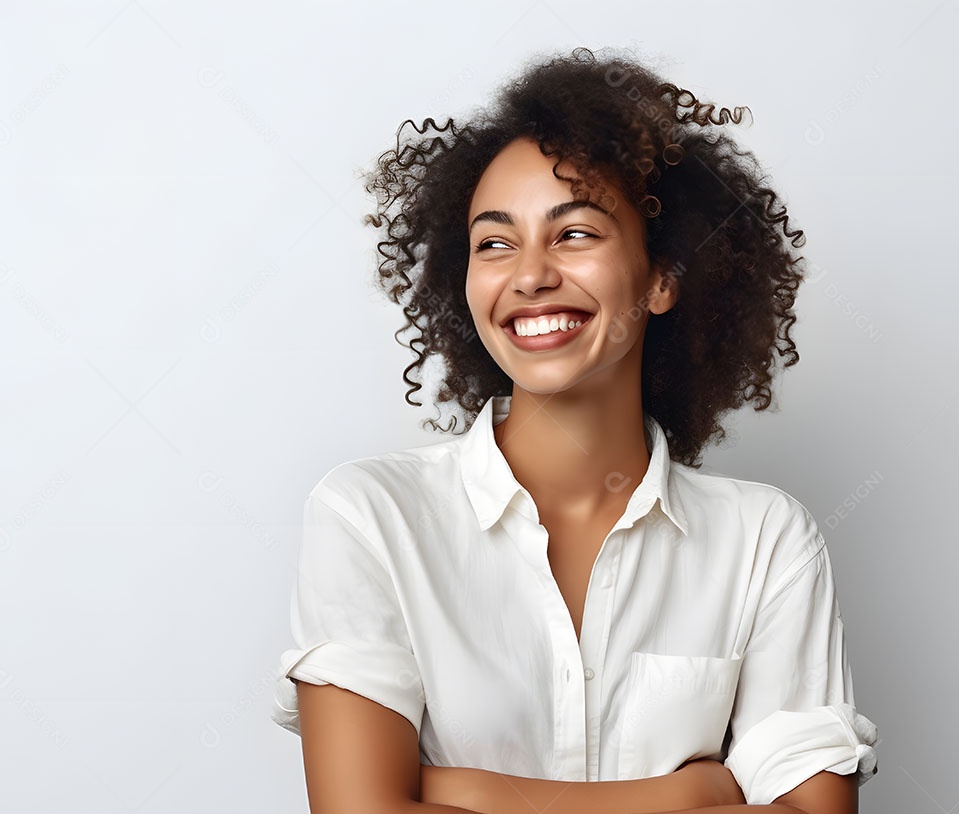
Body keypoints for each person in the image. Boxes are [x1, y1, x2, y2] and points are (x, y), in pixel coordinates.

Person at [270, 46, 880, 814]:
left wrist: (460, 791)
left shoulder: (766, 541)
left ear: (662, 277)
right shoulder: (371, 517)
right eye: (494, 242)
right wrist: (684, 794)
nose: (529, 275)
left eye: (576, 234)